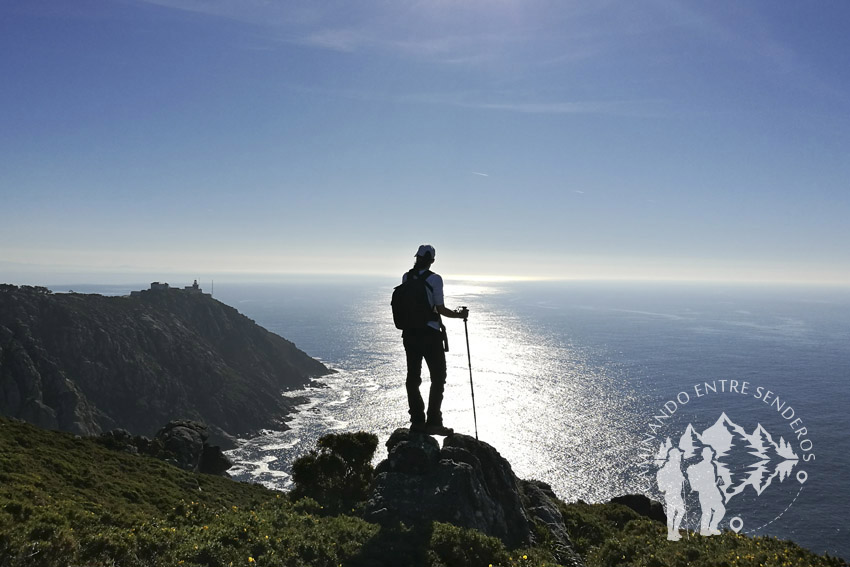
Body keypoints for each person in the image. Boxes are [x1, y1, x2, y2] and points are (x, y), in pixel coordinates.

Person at [401, 244, 469, 436]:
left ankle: (417, 422)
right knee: (438, 378)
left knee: (413, 379)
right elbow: (440, 309)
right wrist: (459, 315)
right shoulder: (435, 279)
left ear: (417, 257)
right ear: (431, 260)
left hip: (410, 335)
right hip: (430, 335)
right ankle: (434, 423)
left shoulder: (406, 277)